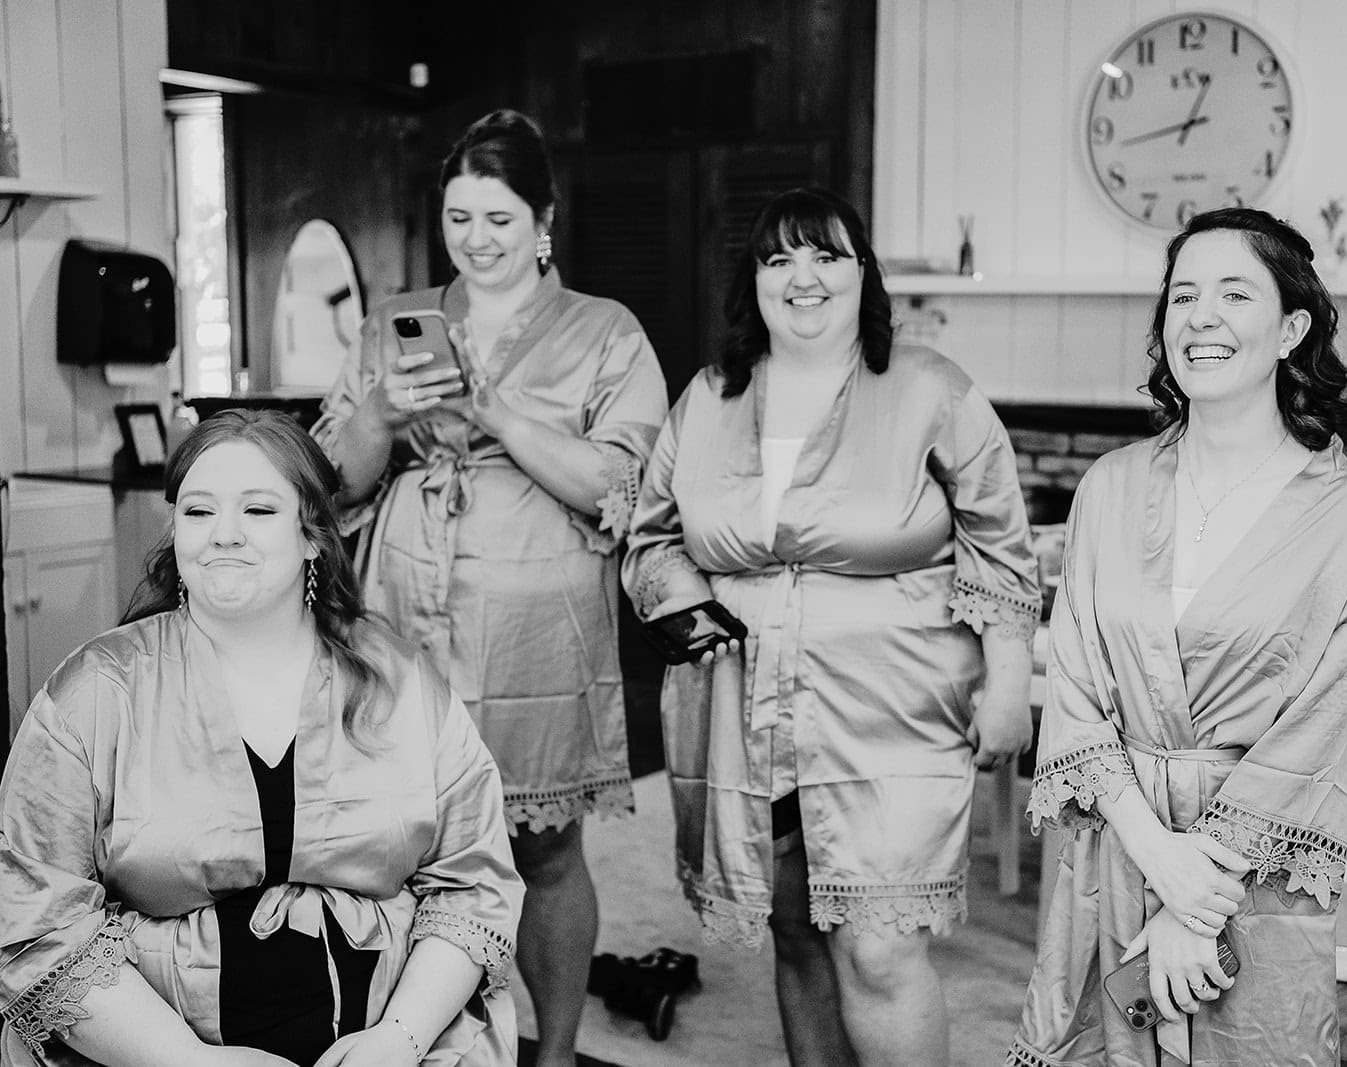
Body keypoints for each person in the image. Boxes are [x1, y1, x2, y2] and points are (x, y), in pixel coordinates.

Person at [623, 187, 1041, 1067]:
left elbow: (1001, 544)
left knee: (879, 941)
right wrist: (682, 605)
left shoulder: (930, 387)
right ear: (755, 282)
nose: (801, 276)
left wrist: (1009, 682)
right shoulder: (708, 397)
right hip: (744, 707)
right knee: (796, 927)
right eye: (778, 259)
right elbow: (652, 537)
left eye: (825, 255)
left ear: (864, 275)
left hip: (895, 701)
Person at [0, 410, 522, 1067]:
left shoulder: (402, 682)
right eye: (197, 511)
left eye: (257, 509)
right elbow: (35, 920)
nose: (223, 535)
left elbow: (473, 884)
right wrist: (191, 1063)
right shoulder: (95, 691)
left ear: (312, 536)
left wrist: (400, 1039)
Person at [313, 110, 668, 1066]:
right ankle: (419, 1039)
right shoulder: (396, 321)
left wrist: (495, 410)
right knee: (399, 841)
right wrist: (382, 415)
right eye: (459, 217)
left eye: (499, 219)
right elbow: (335, 480)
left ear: (544, 219)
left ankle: (550, 1051)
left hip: (535, 617)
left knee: (541, 846)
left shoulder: (605, 331)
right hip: (403, 601)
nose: (475, 239)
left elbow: (621, 484)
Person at [1008, 207, 1347, 1066]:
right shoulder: (1108, 487)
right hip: (1115, 842)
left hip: (1253, 872)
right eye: (1182, 295)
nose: (1200, 316)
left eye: (1233, 292)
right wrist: (1158, 857)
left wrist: (1196, 895)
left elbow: (1326, 724)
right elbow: (1073, 687)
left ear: (1292, 327)